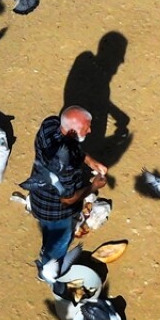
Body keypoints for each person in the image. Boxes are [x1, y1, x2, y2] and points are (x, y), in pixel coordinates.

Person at [28, 106, 107, 276]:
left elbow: (70, 145)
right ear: (73, 130)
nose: (91, 130)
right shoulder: (66, 166)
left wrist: (90, 161)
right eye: (87, 127)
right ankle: (48, 272)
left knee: (47, 230)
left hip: (38, 197)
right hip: (56, 210)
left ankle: (46, 248)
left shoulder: (50, 124)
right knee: (59, 242)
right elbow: (68, 199)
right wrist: (93, 186)